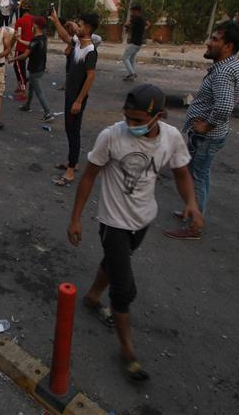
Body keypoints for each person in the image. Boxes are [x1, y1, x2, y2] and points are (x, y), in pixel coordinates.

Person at [67, 84, 203, 383]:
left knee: (114, 263)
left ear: (158, 116)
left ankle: (92, 297)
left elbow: (182, 173)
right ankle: (127, 351)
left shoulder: (171, 137)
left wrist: (191, 202)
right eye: (127, 117)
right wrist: (76, 218)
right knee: (124, 289)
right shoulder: (111, 136)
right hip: (113, 222)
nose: (130, 124)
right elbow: (88, 176)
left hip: (143, 220)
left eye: (138, 120)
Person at [164, 21, 239, 240]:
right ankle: (192, 209)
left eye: (215, 39)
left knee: (197, 177)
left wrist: (206, 125)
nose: (209, 43)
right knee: (199, 174)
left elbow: (224, 107)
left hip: (206, 136)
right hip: (211, 135)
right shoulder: (234, 65)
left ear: (228, 46)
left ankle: (194, 225)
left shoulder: (223, 72)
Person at [50, 9, 99, 186]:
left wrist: (78, 101)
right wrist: (56, 21)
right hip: (70, 95)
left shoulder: (90, 51)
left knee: (73, 131)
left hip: (77, 98)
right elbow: (65, 37)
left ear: (88, 28)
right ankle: (73, 162)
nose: (77, 27)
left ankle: (71, 170)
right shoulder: (78, 43)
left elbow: (91, 77)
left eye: (80, 25)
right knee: (70, 129)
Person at [11, 16, 53, 121]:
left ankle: (48, 113)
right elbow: (31, 45)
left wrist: (13, 59)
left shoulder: (36, 39)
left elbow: (25, 55)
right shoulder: (43, 37)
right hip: (41, 68)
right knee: (31, 87)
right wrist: (20, 40)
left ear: (36, 26)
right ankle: (27, 105)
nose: (32, 26)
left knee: (39, 92)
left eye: (33, 24)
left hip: (35, 69)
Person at [12, 1, 33, 100]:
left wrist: (9, 47)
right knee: (22, 68)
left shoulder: (20, 21)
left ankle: (23, 90)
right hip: (32, 46)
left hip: (21, 47)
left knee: (19, 68)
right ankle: (21, 84)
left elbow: (16, 36)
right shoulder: (34, 19)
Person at [122, 5, 149, 81]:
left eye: (132, 11)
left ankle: (132, 74)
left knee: (124, 58)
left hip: (134, 42)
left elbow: (126, 25)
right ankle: (131, 74)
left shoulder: (136, 19)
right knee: (132, 58)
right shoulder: (142, 19)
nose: (131, 13)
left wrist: (129, 21)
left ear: (137, 11)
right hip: (139, 42)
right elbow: (148, 23)